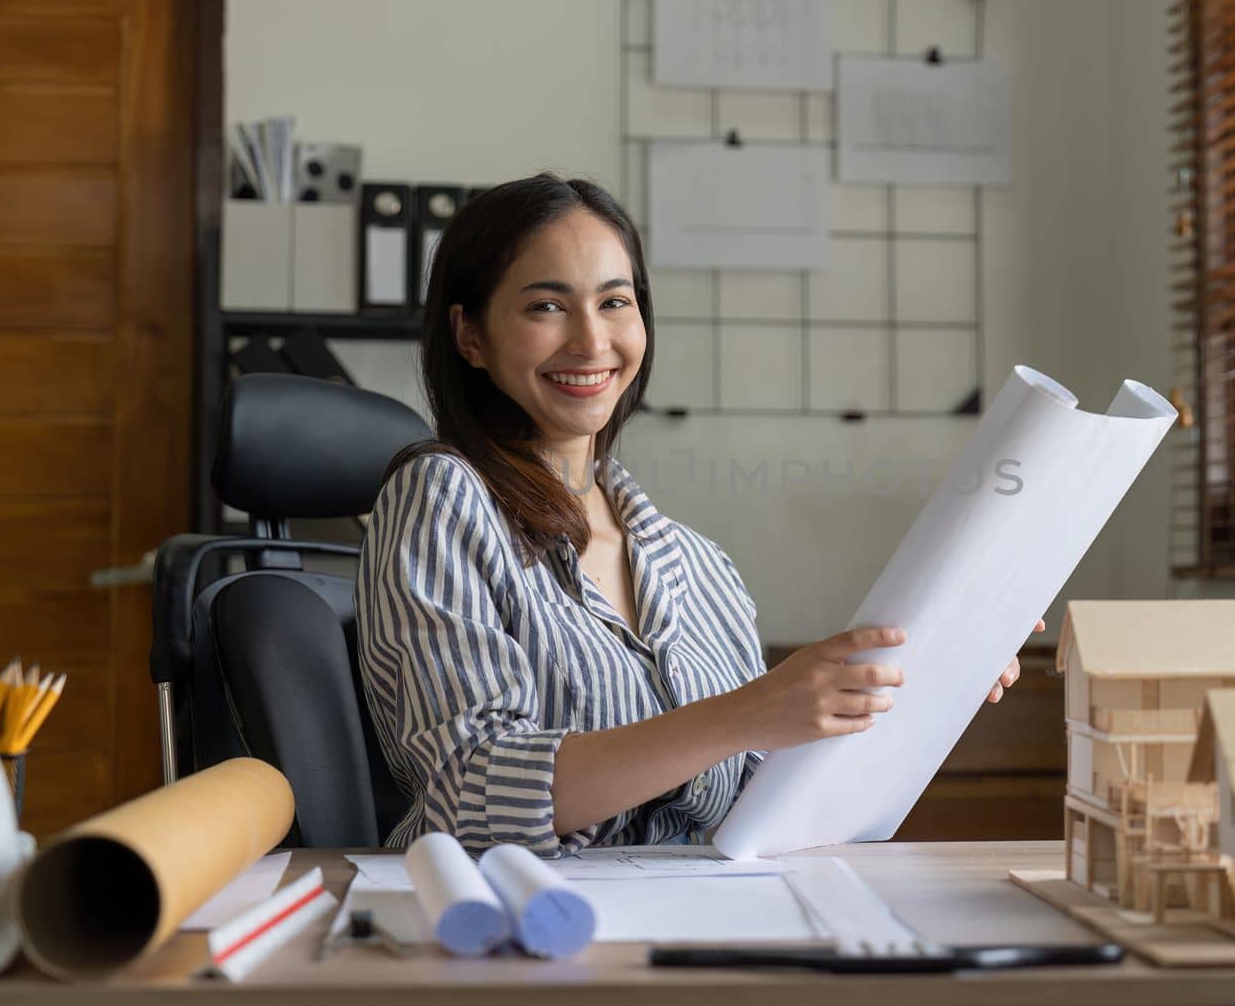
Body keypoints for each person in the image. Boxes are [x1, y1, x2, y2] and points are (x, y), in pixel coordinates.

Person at [356, 173, 1034, 855]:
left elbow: (762, 807)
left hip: (693, 912)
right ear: (470, 335)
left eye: (614, 301)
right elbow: (468, 791)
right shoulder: (442, 497)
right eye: (546, 307)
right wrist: (743, 714)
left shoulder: (699, 565)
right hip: (515, 928)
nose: (592, 341)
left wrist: (928, 690)